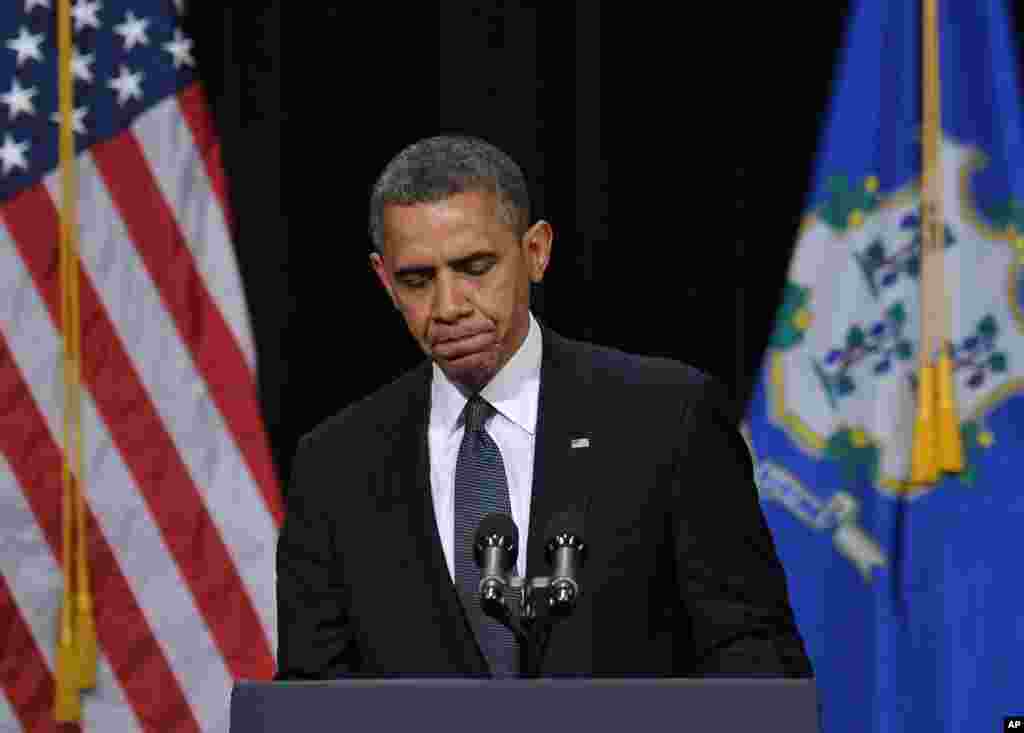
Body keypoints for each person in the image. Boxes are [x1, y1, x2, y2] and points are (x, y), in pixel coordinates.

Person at [275, 135, 813, 679]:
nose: (449, 306)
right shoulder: (335, 466)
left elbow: (752, 653)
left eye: (475, 267)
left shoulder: (666, 417)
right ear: (384, 281)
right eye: (417, 280)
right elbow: (313, 693)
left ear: (535, 252)